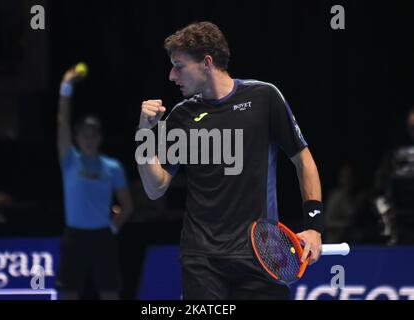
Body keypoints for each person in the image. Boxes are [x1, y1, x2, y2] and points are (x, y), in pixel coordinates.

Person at [136, 22, 323, 299]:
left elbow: (303, 159)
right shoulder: (181, 116)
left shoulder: (264, 97)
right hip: (202, 259)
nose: (172, 75)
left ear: (207, 62)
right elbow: (155, 188)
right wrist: (144, 133)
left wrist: (314, 228)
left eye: (179, 65)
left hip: (262, 254)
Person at [55, 65, 133, 300]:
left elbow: (127, 206)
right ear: (77, 138)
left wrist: (111, 229)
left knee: (109, 293)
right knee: (69, 292)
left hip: (103, 238)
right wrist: (66, 87)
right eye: (84, 134)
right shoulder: (69, 160)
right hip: (74, 237)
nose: (89, 138)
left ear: (100, 138)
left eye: (93, 134)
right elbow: (62, 123)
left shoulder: (113, 167)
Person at [372, 107, 414, 244]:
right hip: (398, 207)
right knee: (380, 203)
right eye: (411, 127)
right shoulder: (394, 153)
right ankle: (391, 242)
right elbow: (380, 181)